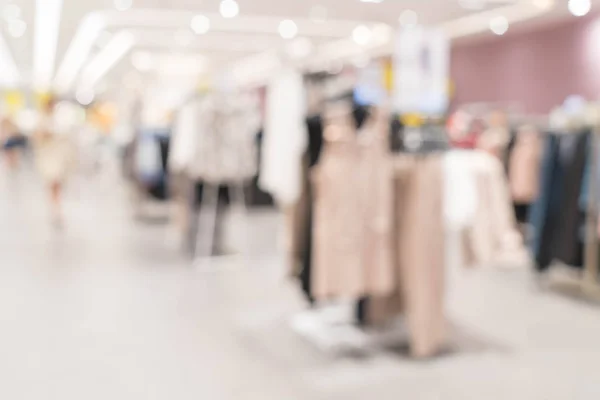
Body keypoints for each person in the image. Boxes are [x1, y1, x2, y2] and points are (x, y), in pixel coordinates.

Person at [33, 98, 74, 227]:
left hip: (59, 157)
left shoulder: (59, 120)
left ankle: (56, 208)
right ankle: (55, 209)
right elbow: (37, 138)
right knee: (53, 183)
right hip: (48, 157)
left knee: (56, 184)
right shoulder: (42, 120)